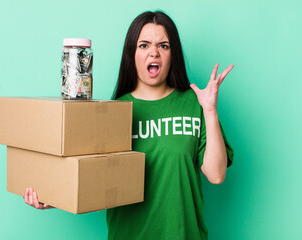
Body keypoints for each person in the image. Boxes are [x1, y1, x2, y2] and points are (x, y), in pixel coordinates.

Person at [24, 10, 234, 240]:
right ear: (131, 54)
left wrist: (210, 110)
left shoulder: (195, 104)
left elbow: (216, 174)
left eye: (163, 45)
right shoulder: (112, 112)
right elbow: (92, 183)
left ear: (173, 54)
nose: (154, 52)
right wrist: (51, 197)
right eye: (144, 45)